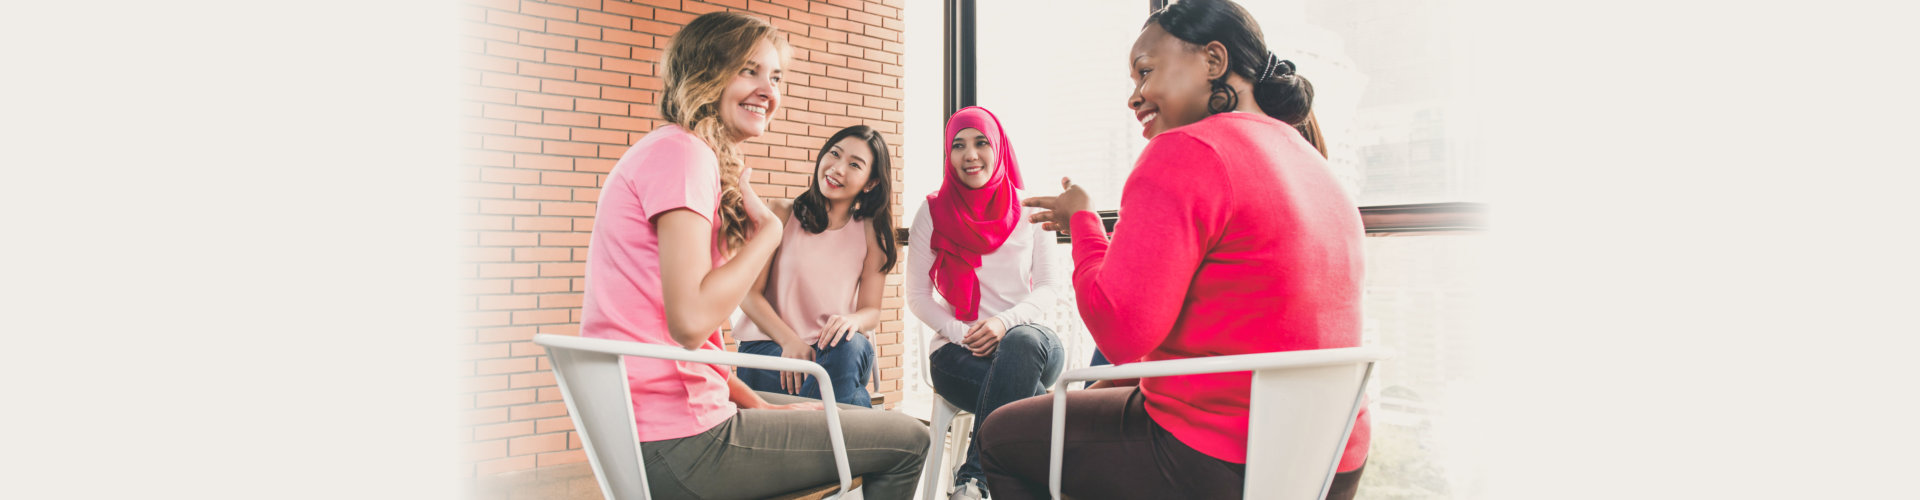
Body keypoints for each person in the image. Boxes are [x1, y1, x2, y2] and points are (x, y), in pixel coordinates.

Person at [986, 0, 1369, 498]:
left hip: (1219, 461)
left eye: (1145, 72)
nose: (1135, 96)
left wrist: (1082, 219)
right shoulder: (1310, 158)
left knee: (1001, 435)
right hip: (1329, 461)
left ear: (1213, 60)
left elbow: (1119, 332)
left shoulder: (1186, 150)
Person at [578, 12, 925, 499]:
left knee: (848, 416)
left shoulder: (676, 152)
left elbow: (689, 344)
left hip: (672, 422)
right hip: (683, 442)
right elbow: (692, 322)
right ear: (705, 73)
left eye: (775, 76)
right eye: (749, 70)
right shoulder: (684, 154)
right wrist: (769, 233)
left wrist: (752, 403)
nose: (769, 90)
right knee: (910, 439)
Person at [907, 106, 1066, 500]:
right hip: (957, 354)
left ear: (999, 148)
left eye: (980, 143)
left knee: (1020, 343)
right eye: (958, 145)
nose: (970, 155)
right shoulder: (932, 211)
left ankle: (973, 478)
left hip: (1032, 346)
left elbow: (1047, 287)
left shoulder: (1029, 209)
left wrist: (1002, 325)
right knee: (1035, 406)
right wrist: (965, 334)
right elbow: (916, 297)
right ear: (948, 154)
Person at [732, 125, 898, 407]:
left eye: (854, 165)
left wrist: (853, 320)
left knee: (854, 345)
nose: (837, 168)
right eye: (834, 154)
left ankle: (808, 433)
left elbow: (871, 311)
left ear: (870, 183)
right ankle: (846, 422)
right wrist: (789, 341)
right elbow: (748, 294)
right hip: (770, 351)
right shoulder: (782, 213)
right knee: (855, 399)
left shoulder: (872, 233)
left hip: (832, 353)